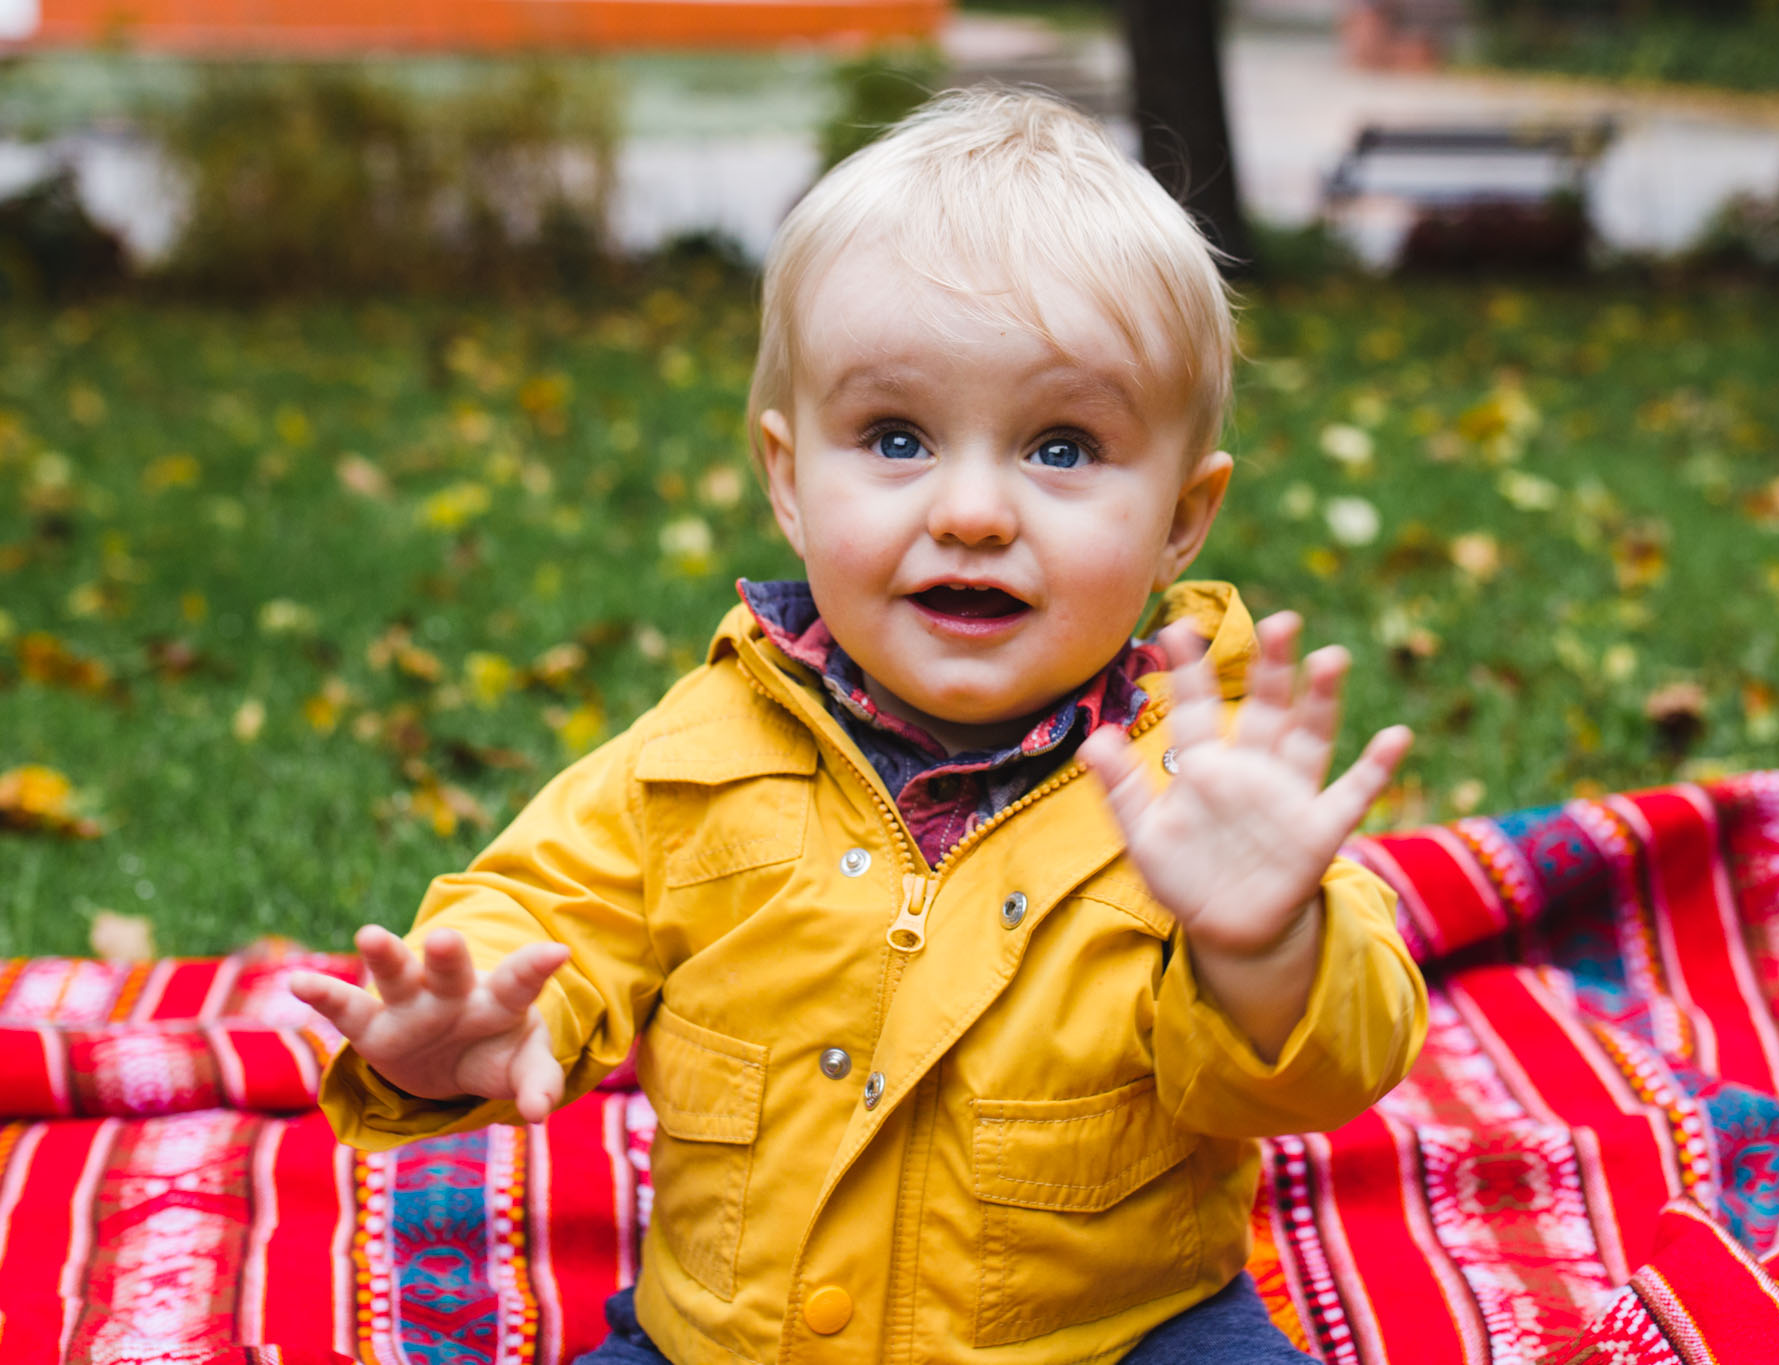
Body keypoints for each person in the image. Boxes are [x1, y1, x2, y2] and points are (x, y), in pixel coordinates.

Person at [294, 87, 1427, 1364]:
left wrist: (1264, 941)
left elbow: (1333, 1069)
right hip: (729, 1338)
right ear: (787, 477)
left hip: (1115, 1335)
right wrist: (470, 1025)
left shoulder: (1205, 789)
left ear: (1179, 516)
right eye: (895, 437)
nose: (974, 511)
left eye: (1061, 449)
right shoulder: (700, 754)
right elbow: (549, 905)